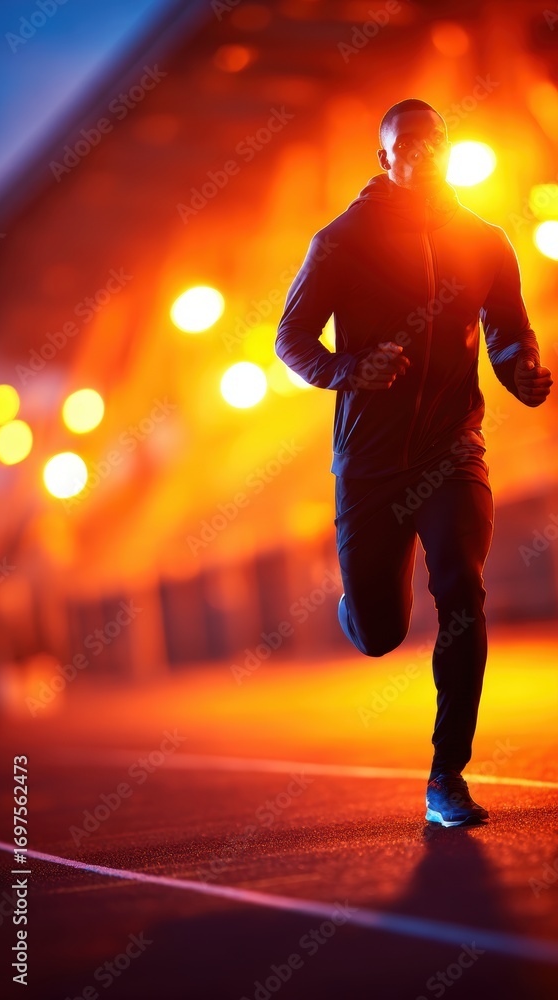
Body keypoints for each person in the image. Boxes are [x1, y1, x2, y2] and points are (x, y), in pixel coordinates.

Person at [275, 98, 553, 827]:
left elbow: (509, 332)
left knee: (462, 585)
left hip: (452, 448)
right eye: (410, 148)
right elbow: (292, 338)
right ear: (385, 159)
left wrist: (520, 367)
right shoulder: (341, 240)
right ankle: (356, 612)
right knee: (381, 633)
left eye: (436, 145)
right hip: (368, 463)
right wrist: (349, 369)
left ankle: (446, 776)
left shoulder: (485, 240)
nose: (424, 158)